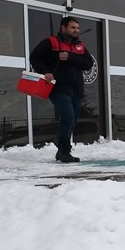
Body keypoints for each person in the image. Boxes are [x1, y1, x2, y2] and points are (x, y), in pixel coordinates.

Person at [29, 16, 95, 163]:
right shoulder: (50, 42)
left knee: (72, 120)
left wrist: (70, 56)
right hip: (58, 87)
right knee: (68, 117)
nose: (76, 30)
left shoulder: (80, 46)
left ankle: (64, 149)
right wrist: (45, 71)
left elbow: (88, 64)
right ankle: (63, 150)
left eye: (77, 28)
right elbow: (35, 57)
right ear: (63, 28)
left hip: (77, 89)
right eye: (72, 27)